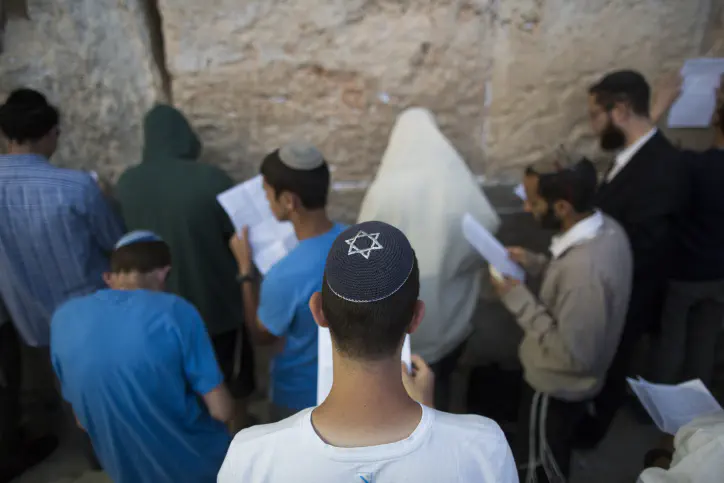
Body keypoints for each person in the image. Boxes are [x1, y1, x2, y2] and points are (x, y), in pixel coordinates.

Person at [218, 221, 518, 482]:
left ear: (318, 311)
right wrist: (429, 414)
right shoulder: (483, 447)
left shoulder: (251, 457)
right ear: (416, 317)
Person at [0, 88, 124, 476]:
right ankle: (114, 455)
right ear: (49, 134)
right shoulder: (76, 186)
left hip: (28, 316)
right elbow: (114, 242)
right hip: (86, 310)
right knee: (102, 388)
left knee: (66, 387)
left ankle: (93, 454)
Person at [51, 231, 234, 483]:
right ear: (164, 274)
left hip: (125, 470)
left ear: (110, 278)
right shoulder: (176, 311)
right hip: (199, 466)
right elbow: (222, 410)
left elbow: (82, 421)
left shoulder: (63, 318)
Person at [492, 160, 632, 482]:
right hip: (566, 387)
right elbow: (573, 289)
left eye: (533, 201)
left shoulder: (585, 272)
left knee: (540, 466)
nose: (526, 208)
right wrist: (537, 263)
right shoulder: (606, 229)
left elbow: (575, 356)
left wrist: (518, 300)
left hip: (555, 388)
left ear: (562, 207)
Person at [115, 104, 255, 424]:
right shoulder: (212, 180)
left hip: (156, 313)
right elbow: (239, 238)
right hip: (215, 308)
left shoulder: (127, 184)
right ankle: (235, 438)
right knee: (229, 385)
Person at [357, 107, 500, 411]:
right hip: (449, 321)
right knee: (440, 387)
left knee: (399, 400)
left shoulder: (385, 191)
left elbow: (362, 252)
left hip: (400, 323)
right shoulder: (458, 185)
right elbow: (487, 227)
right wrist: (458, 263)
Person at [579, 70, 685, 447]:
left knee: (610, 368)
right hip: (608, 288)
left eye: (595, 115)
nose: (593, 126)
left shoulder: (663, 167)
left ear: (620, 111)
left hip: (624, 298)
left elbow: (645, 247)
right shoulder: (634, 152)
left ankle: (588, 436)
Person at [229, 142, 345, 421]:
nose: (266, 201)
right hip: (347, 389)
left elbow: (262, 336)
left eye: (267, 193)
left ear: (289, 201)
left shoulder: (284, 275)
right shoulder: (355, 240)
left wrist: (245, 272)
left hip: (299, 398)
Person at [646, 74, 724, 387]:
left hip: (685, 273)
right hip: (720, 275)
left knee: (670, 343)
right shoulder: (694, 164)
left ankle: (657, 403)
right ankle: (696, 405)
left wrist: (657, 108)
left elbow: (642, 157)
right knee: (705, 344)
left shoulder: (694, 166)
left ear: (715, 118)